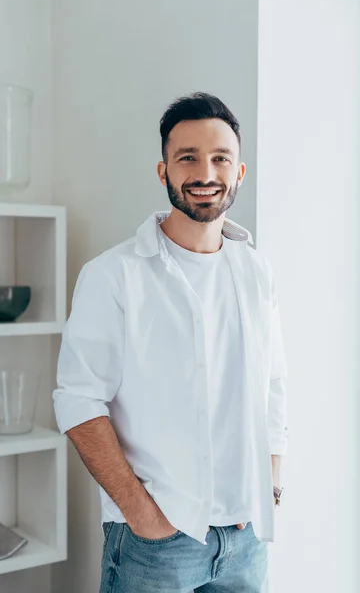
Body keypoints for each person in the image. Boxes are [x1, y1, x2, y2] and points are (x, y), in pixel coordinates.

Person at [53, 92, 288, 593]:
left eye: (220, 158)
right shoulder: (112, 276)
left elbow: (272, 385)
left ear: (239, 172)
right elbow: (77, 399)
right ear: (163, 171)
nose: (205, 172)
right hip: (155, 542)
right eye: (187, 158)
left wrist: (269, 483)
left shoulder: (256, 271)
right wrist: (140, 512)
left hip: (247, 539)